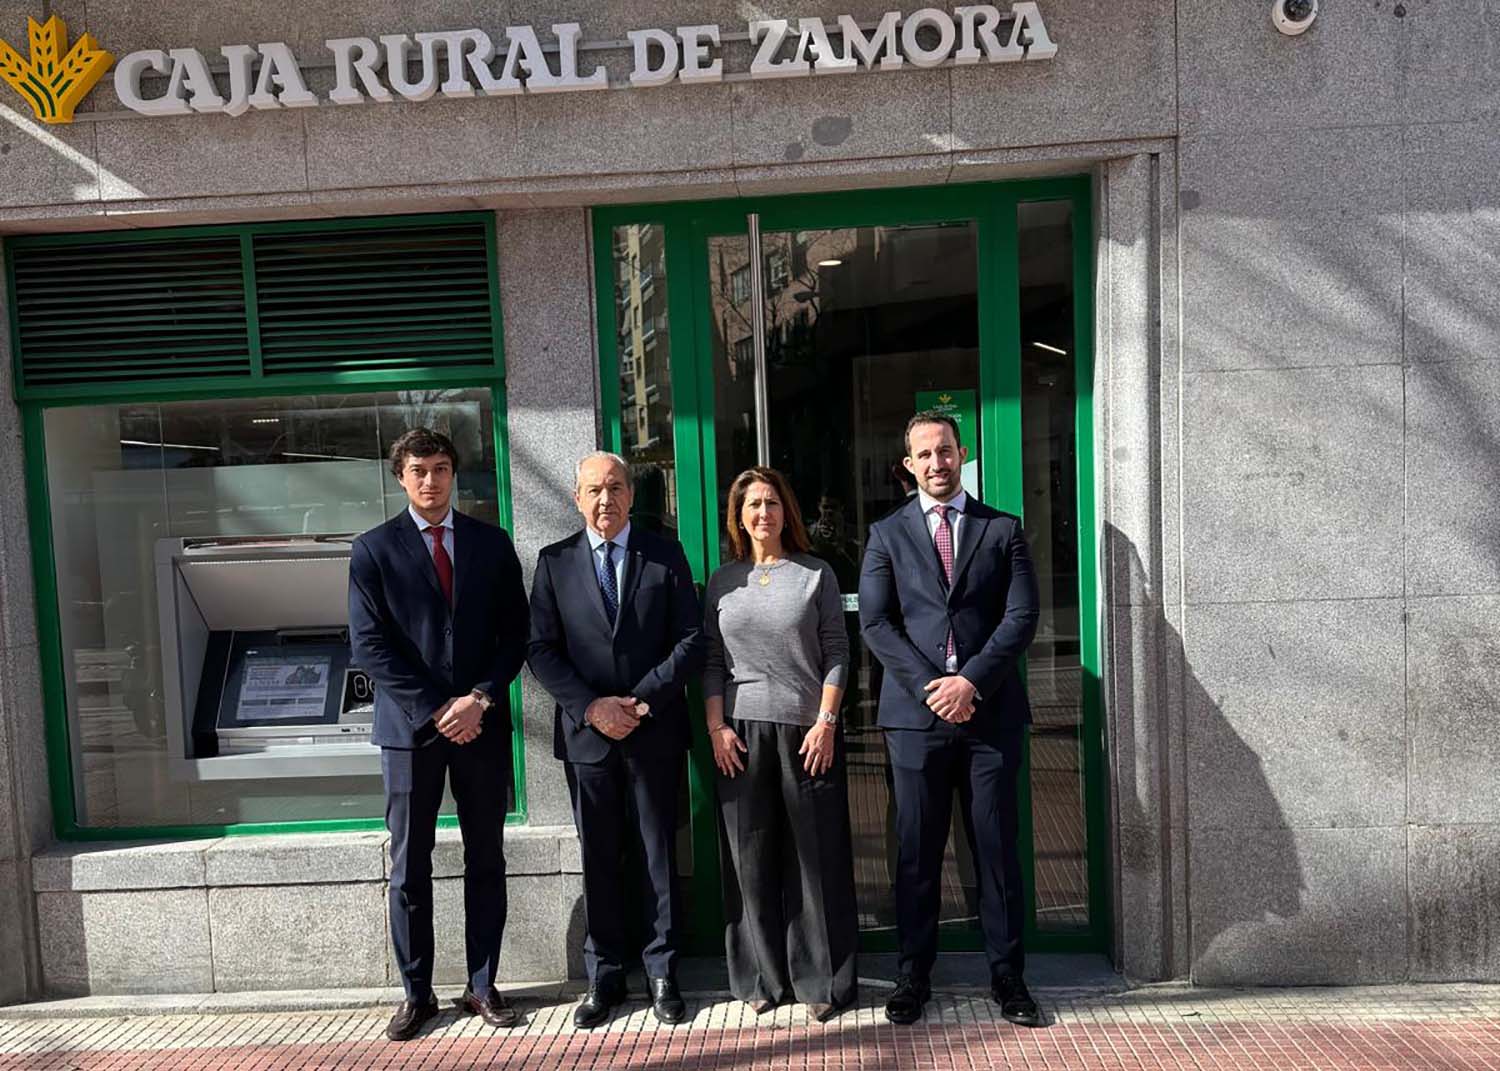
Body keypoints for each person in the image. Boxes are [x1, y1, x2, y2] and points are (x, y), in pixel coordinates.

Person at [857, 411, 1043, 1028]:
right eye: (924, 455)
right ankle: (913, 975)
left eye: (945, 451)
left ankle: (1008, 975)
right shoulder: (886, 535)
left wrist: (970, 682)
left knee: (994, 846)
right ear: (907, 464)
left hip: (989, 717)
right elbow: (877, 624)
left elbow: (1021, 617)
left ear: (962, 453)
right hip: (916, 719)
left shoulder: (1003, 529)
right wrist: (934, 687)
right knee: (917, 850)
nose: (936, 463)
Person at [348, 427, 529, 1041]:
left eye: (442, 468)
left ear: (456, 473)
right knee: (409, 865)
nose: (432, 481)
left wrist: (478, 698)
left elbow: (516, 636)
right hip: (409, 732)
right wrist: (435, 709)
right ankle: (416, 992)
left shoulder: (491, 543)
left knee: (487, 857)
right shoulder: (373, 550)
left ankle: (482, 984)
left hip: (480, 724)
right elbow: (369, 646)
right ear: (401, 477)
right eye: (419, 470)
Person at [527, 451, 706, 1028]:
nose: (607, 500)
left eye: (617, 488)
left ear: (632, 495)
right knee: (598, 858)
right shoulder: (554, 563)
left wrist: (641, 699)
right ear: (576, 498)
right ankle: (604, 973)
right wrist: (592, 708)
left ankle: (661, 970)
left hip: (653, 731)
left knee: (658, 855)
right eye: (594, 490)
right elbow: (540, 650)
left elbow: (690, 639)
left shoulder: (666, 554)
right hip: (588, 739)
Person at [704, 466, 857, 1022]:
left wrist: (827, 721)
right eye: (752, 505)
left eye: (771, 502)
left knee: (815, 859)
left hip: (807, 730)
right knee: (751, 859)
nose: (762, 513)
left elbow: (837, 649)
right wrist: (717, 728)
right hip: (739, 735)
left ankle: (822, 981)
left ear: (786, 510)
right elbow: (714, 663)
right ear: (738, 517)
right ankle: (760, 978)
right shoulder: (723, 581)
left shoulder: (816, 574)